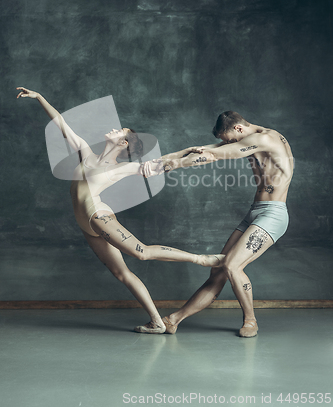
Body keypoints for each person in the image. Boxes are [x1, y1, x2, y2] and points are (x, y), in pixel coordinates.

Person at [16, 87, 225, 334]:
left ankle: (202, 259)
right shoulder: (85, 151)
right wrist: (39, 97)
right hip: (85, 223)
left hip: (98, 216)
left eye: (120, 130)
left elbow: (161, 163)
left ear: (124, 142)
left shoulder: (123, 168)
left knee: (142, 253)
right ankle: (157, 322)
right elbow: (60, 123)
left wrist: (190, 150)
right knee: (122, 273)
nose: (115, 128)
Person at [160, 111, 294, 337]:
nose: (229, 144)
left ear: (239, 129)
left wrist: (176, 165)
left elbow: (215, 155)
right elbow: (205, 149)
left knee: (232, 265)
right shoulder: (251, 138)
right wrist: (163, 161)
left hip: (273, 215)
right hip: (255, 212)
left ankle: (251, 321)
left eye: (230, 139)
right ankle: (173, 320)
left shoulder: (266, 139)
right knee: (218, 272)